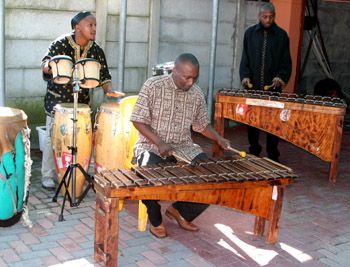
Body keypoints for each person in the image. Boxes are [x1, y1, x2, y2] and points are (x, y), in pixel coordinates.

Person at [130, 53, 231, 238]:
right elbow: (138, 120)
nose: (191, 82)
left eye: (195, 77)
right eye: (187, 77)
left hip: (184, 147)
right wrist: (159, 142)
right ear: (174, 71)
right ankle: (155, 220)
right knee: (145, 177)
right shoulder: (153, 86)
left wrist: (218, 138)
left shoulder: (197, 93)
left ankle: (181, 211)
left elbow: (201, 125)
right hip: (151, 145)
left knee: (213, 178)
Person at [41, 11, 123, 189]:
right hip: (57, 102)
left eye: (95, 25)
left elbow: (104, 75)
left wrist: (110, 91)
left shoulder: (96, 49)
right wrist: (49, 66)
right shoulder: (60, 43)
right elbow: (45, 63)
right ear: (77, 27)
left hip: (82, 103)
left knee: (82, 140)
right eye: (90, 25)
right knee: (53, 138)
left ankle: (78, 173)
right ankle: (48, 175)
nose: (94, 28)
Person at [239, 2, 292, 162]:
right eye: (265, 17)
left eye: (271, 17)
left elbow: (286, 61)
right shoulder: (249, 33)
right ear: (259, 16)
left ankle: (272, 153)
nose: (268, 20)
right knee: (253, 121)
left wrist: (280, 77)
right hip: (254, 87)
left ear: (274, 16)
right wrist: (245, 76)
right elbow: (245, 58)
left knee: (273, 123)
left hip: (273, 88)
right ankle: (254, 148)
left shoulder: (282, 36)